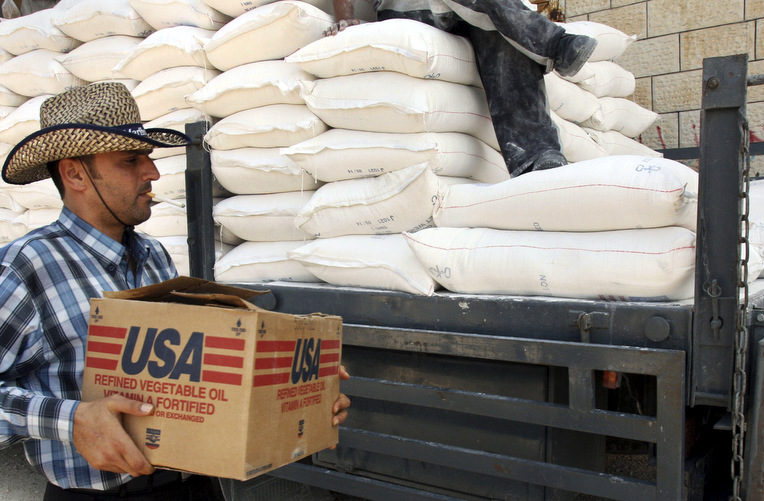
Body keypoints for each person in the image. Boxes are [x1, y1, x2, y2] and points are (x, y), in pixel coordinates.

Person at [0, 82, 352, 501]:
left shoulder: (153, 257)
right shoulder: (27, 266)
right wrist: (73, 419)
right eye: (131, 161)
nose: (152, 173)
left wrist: (296, 388)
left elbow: (197, 374)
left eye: (148, 158)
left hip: (192, 486)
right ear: (75, 173)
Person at [328, 0, 598, 175]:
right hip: (409, 8)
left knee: (504, 38)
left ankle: (537, 157)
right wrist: (346, 18)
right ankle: (554, 44)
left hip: (467, 10)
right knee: (503, 23)